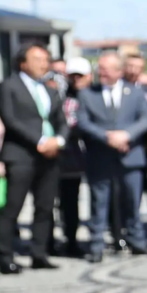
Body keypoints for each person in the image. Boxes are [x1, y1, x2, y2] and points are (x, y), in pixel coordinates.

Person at [0, 43, 66, 273]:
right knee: (13, 207)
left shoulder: (50, 90)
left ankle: (39, 253)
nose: (43, 64)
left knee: (45, 207)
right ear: (23, 63)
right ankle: (4, 256)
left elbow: (62, 121)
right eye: (37, 59)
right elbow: (10, 119)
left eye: (45, 60)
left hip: (49, 155)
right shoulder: (8, 86)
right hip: (21, 154)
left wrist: (58, 141)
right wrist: (39, 141)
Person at [77, 52, 147, 261]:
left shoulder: (136, 92)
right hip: (100, 156)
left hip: (130, 155)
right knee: (99, 203)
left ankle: (137, 241)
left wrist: (126, 135)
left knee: (133, 201)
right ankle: (96, 245)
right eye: (99, 68)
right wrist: (107, 137)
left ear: (119, 71)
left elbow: (146, 119)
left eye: (106, 69)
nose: (101, 72)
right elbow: (83, 122)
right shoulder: (87, 93)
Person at [56, 58, 90, 257]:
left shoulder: (93, 95)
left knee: (78, 201)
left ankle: (77, 240)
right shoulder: (61, 97)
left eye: (80, 76)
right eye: (73, 76)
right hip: (65, 156)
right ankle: (64, 240)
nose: (76, 79)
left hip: (88, 154)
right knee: (64, 201)